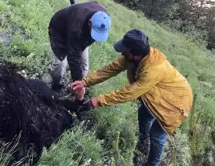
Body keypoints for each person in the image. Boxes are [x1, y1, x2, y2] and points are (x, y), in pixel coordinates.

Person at [71, 29, 193, 166]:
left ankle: (152, 163)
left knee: (157, 134)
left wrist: (99, 100)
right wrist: (85, 82)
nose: (122, 53)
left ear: (137, 55)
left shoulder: (153, 69)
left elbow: (130, 92)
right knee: (144, 113)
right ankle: (143, 141)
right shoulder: (133, 58)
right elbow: (110, 69)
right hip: (159, 94)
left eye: (125, 51)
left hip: (177, 102)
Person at [48, 1, 111, 91]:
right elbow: (73, 57)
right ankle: (57, 85)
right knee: (61, 64)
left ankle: (78, 86)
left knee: (84, 64)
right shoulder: (76, 27)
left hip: (81, 34)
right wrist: (78, 82)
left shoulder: (105, 18)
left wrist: (80, 84)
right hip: (60, 30)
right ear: (90, 23)